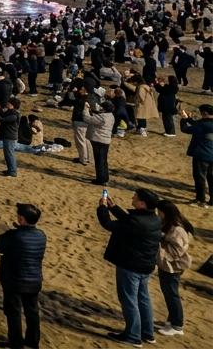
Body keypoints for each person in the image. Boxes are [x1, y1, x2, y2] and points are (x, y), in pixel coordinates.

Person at [97, 188, 162, 346]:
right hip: (145, 265)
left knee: (129, 300)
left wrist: (103, 208)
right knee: (143, 299)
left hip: (131, 265)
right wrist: (114, 207)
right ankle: (147, 333)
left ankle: (133, 336)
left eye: (136, 197)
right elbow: (129, 221)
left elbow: (109, 224)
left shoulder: (137, 222)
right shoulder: (154, 219)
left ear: (142, 203)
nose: (132, 197)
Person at [0, 203, 46, 349]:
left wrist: (15, 230)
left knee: (14, 312)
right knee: (32, 311)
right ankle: (32, 341)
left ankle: (16, 343)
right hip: (34, 279)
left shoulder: (13, 235)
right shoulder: (41, 235)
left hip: (15, 280)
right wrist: (19, 229)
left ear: (22, 219)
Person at [154, 200, 191, 337]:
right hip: (167, 266)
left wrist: (162, 242)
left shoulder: (177, 229)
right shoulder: (170, 225)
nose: (158, 215)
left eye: (159, 212)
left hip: (172, 267)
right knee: (168, 293)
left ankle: (177, 325)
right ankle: (171, 321)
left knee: (172, 295)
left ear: (165, 213)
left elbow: (177, 251)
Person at [180, 104, 213, 206]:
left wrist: (184, 119)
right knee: (211, 178)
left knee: (200, 178)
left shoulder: (203, 125)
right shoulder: (205, 123)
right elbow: (198, 124)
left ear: (205, 113)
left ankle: (200, 200)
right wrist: (189, 119)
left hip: (202, 155)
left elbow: (185, 129)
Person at [84, 100, 116, 186]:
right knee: (103, 160)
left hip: (99, 140)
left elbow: (87, 119)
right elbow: (99, 115)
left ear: (105, 109)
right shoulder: (111, 116)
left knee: (99, 160)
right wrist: (93, 111)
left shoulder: (102, 117)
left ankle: (100, 179)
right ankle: (105, 178)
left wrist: (86, 110)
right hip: (105, 141)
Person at [0, 98, 21, 177]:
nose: (7, 103)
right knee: (8, 154)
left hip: (10, 137)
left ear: (12, 105)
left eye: (8, 102)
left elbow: (1, 119)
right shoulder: (10, 112)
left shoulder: (14, 115)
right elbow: (2, 115)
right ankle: (10, 169)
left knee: (9, 154)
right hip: (8, 136)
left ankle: (12, 171)